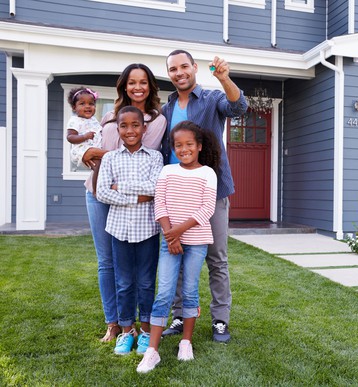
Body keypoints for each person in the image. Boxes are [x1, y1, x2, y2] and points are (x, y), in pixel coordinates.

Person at [160, 50, 248, 342]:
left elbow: (238, 107)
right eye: (173, 68)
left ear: (194, 68)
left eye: (184, 66)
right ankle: (178, 315)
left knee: (216, 259)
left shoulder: (211, 99)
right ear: (169, 73)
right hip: (175, 194)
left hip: (212, 191)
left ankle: (220, 320)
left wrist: (224, 78)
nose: (179, 72)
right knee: (177, 254)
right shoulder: (167, 108)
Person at [81, 63, 167, 343]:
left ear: (150, 86)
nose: (137, 87)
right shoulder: (108, 116)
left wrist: (103, 159)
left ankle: (136, 326)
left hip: (133, 201)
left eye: (143, 82)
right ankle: (114, 323)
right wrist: (87, 153)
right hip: (97, 192)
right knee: (107, 262)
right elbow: (99, 154)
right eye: (132, 82)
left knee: (139, 273)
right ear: (124, 86)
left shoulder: (157, 120)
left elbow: (141, 152)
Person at [138, 121, 220, 373]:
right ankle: (152, 351)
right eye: (178, 145)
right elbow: (159, 204)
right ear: (173, 148)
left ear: (199, 146)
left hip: (196, 241)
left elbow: (207, 209)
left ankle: (186, 342)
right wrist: (170, 235)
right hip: (170, 239)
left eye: (188, 145)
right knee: (164, 292)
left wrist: (177, 232)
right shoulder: (167, 171)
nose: (183, 149)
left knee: (190, 290)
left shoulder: (208, 173)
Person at [96, 106, 164, 355]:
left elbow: (155, 187)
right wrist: (137, 197)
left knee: (146, 282)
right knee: (123, 283)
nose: (130, 130)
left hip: (147, 230)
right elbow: (103, 192)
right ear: (118, 129)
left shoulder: (155, 157)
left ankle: (145, 331)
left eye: (135, 125)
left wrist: (120, 186)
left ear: (144, 128)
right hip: (119, 230)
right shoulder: (111, 158)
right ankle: (127, 331)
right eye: (124, 126)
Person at [65, 87, 102, 191]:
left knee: (103, 166)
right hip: (81, 149)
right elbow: (70, 137)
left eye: (91, 104)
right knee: (98, 166)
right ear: (74, 107)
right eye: (82, 104)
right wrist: (84, 136)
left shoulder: (94, 120)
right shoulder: (74, 121)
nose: (87, 106)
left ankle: (102, 187)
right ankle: (95, 190)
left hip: (93, 148)